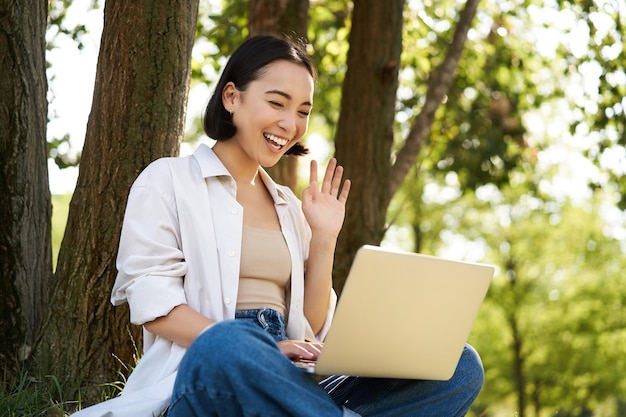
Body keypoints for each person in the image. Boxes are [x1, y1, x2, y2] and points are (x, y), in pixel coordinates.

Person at [74, 35, 484, 417]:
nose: (291, 123)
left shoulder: (289, 206)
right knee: (227, 341)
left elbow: (309, 324)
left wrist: (324, 237)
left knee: (459, 363)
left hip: (292, 381)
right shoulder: (168, 180)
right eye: (277, 103)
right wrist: (263, 350)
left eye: (303, 111)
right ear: (232, 97)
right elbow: (154, 305)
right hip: (207, 373)